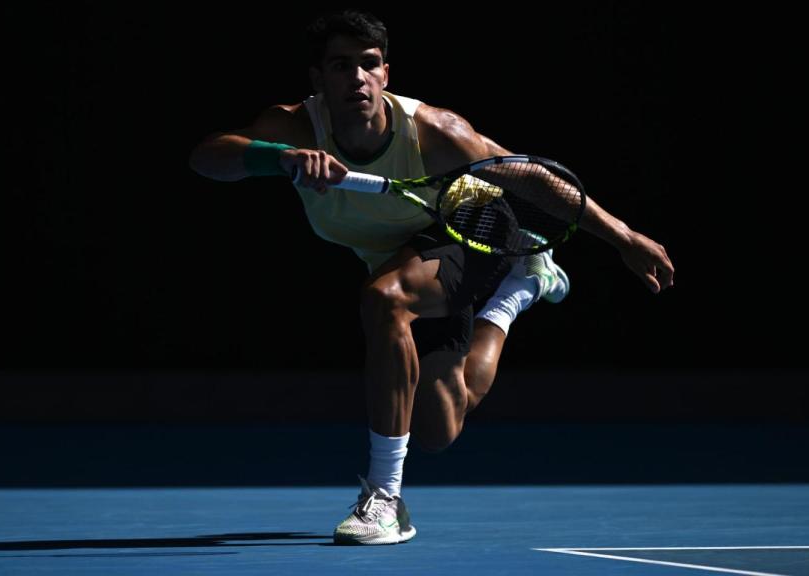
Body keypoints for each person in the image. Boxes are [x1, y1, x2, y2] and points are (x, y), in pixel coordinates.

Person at [189, 10, 674, 545]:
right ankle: (519, 292)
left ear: (386, 74)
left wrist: (625, 238)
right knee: (439, 429)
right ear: (318, 80)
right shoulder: (294, 129)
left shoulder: (436, 132)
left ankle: (384, 498)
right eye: (341, 65)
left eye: (369, 64)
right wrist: (278, 160)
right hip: (394, 255)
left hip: (468, 229)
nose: (357, 78)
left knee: (384, 300)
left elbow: (534, 178)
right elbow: (208, 157)